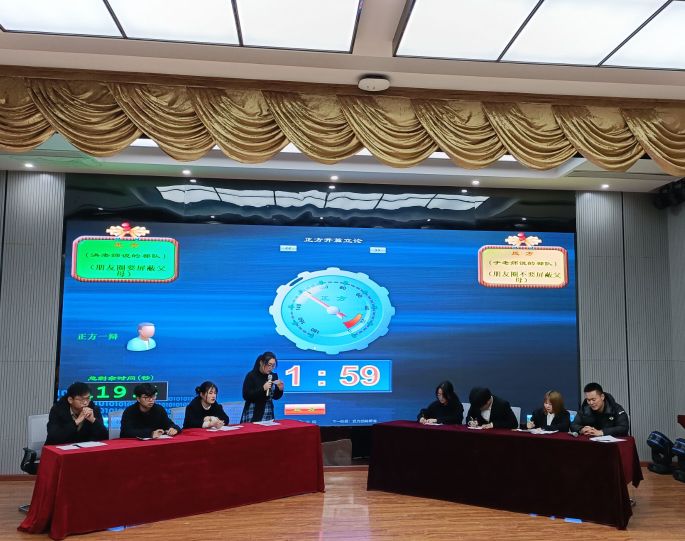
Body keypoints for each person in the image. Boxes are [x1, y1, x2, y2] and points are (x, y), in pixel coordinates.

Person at [240, 351, 284, 423]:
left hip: (268, 411)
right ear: (261, 363)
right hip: (254, 411)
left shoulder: (273, 376)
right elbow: (246, 396)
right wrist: (263, 389)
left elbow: (275, 397)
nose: (271, 368)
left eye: (273, 366)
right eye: (269, 365)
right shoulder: (251, 376)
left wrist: (280, 389)